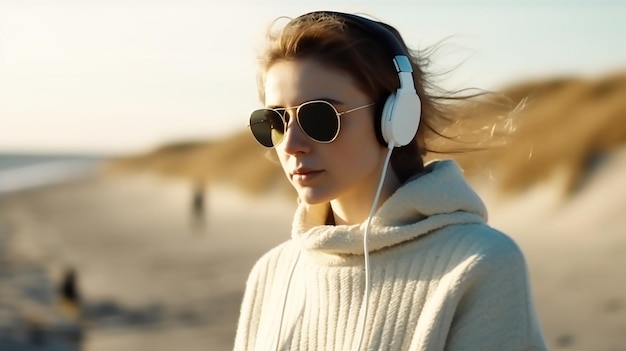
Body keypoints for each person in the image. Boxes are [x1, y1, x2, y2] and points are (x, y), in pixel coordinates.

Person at [235, 10, 546, 351]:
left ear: (396, 118)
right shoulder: (273, 272)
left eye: (320, 116)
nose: (292, 144)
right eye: (276, 121)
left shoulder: (478, 264)